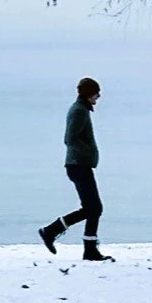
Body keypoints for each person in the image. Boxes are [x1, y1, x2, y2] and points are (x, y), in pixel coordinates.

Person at [39, 77, 112, 261]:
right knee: (94, 208)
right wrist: (88, 153)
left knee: (92, 208)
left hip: (79, 164)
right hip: (78, 165)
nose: (99, 96)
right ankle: (54, 232)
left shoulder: (81, 109)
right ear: (89, 93)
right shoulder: (79, 111)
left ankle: (81, 245)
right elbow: (70, 138)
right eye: (96, 92)